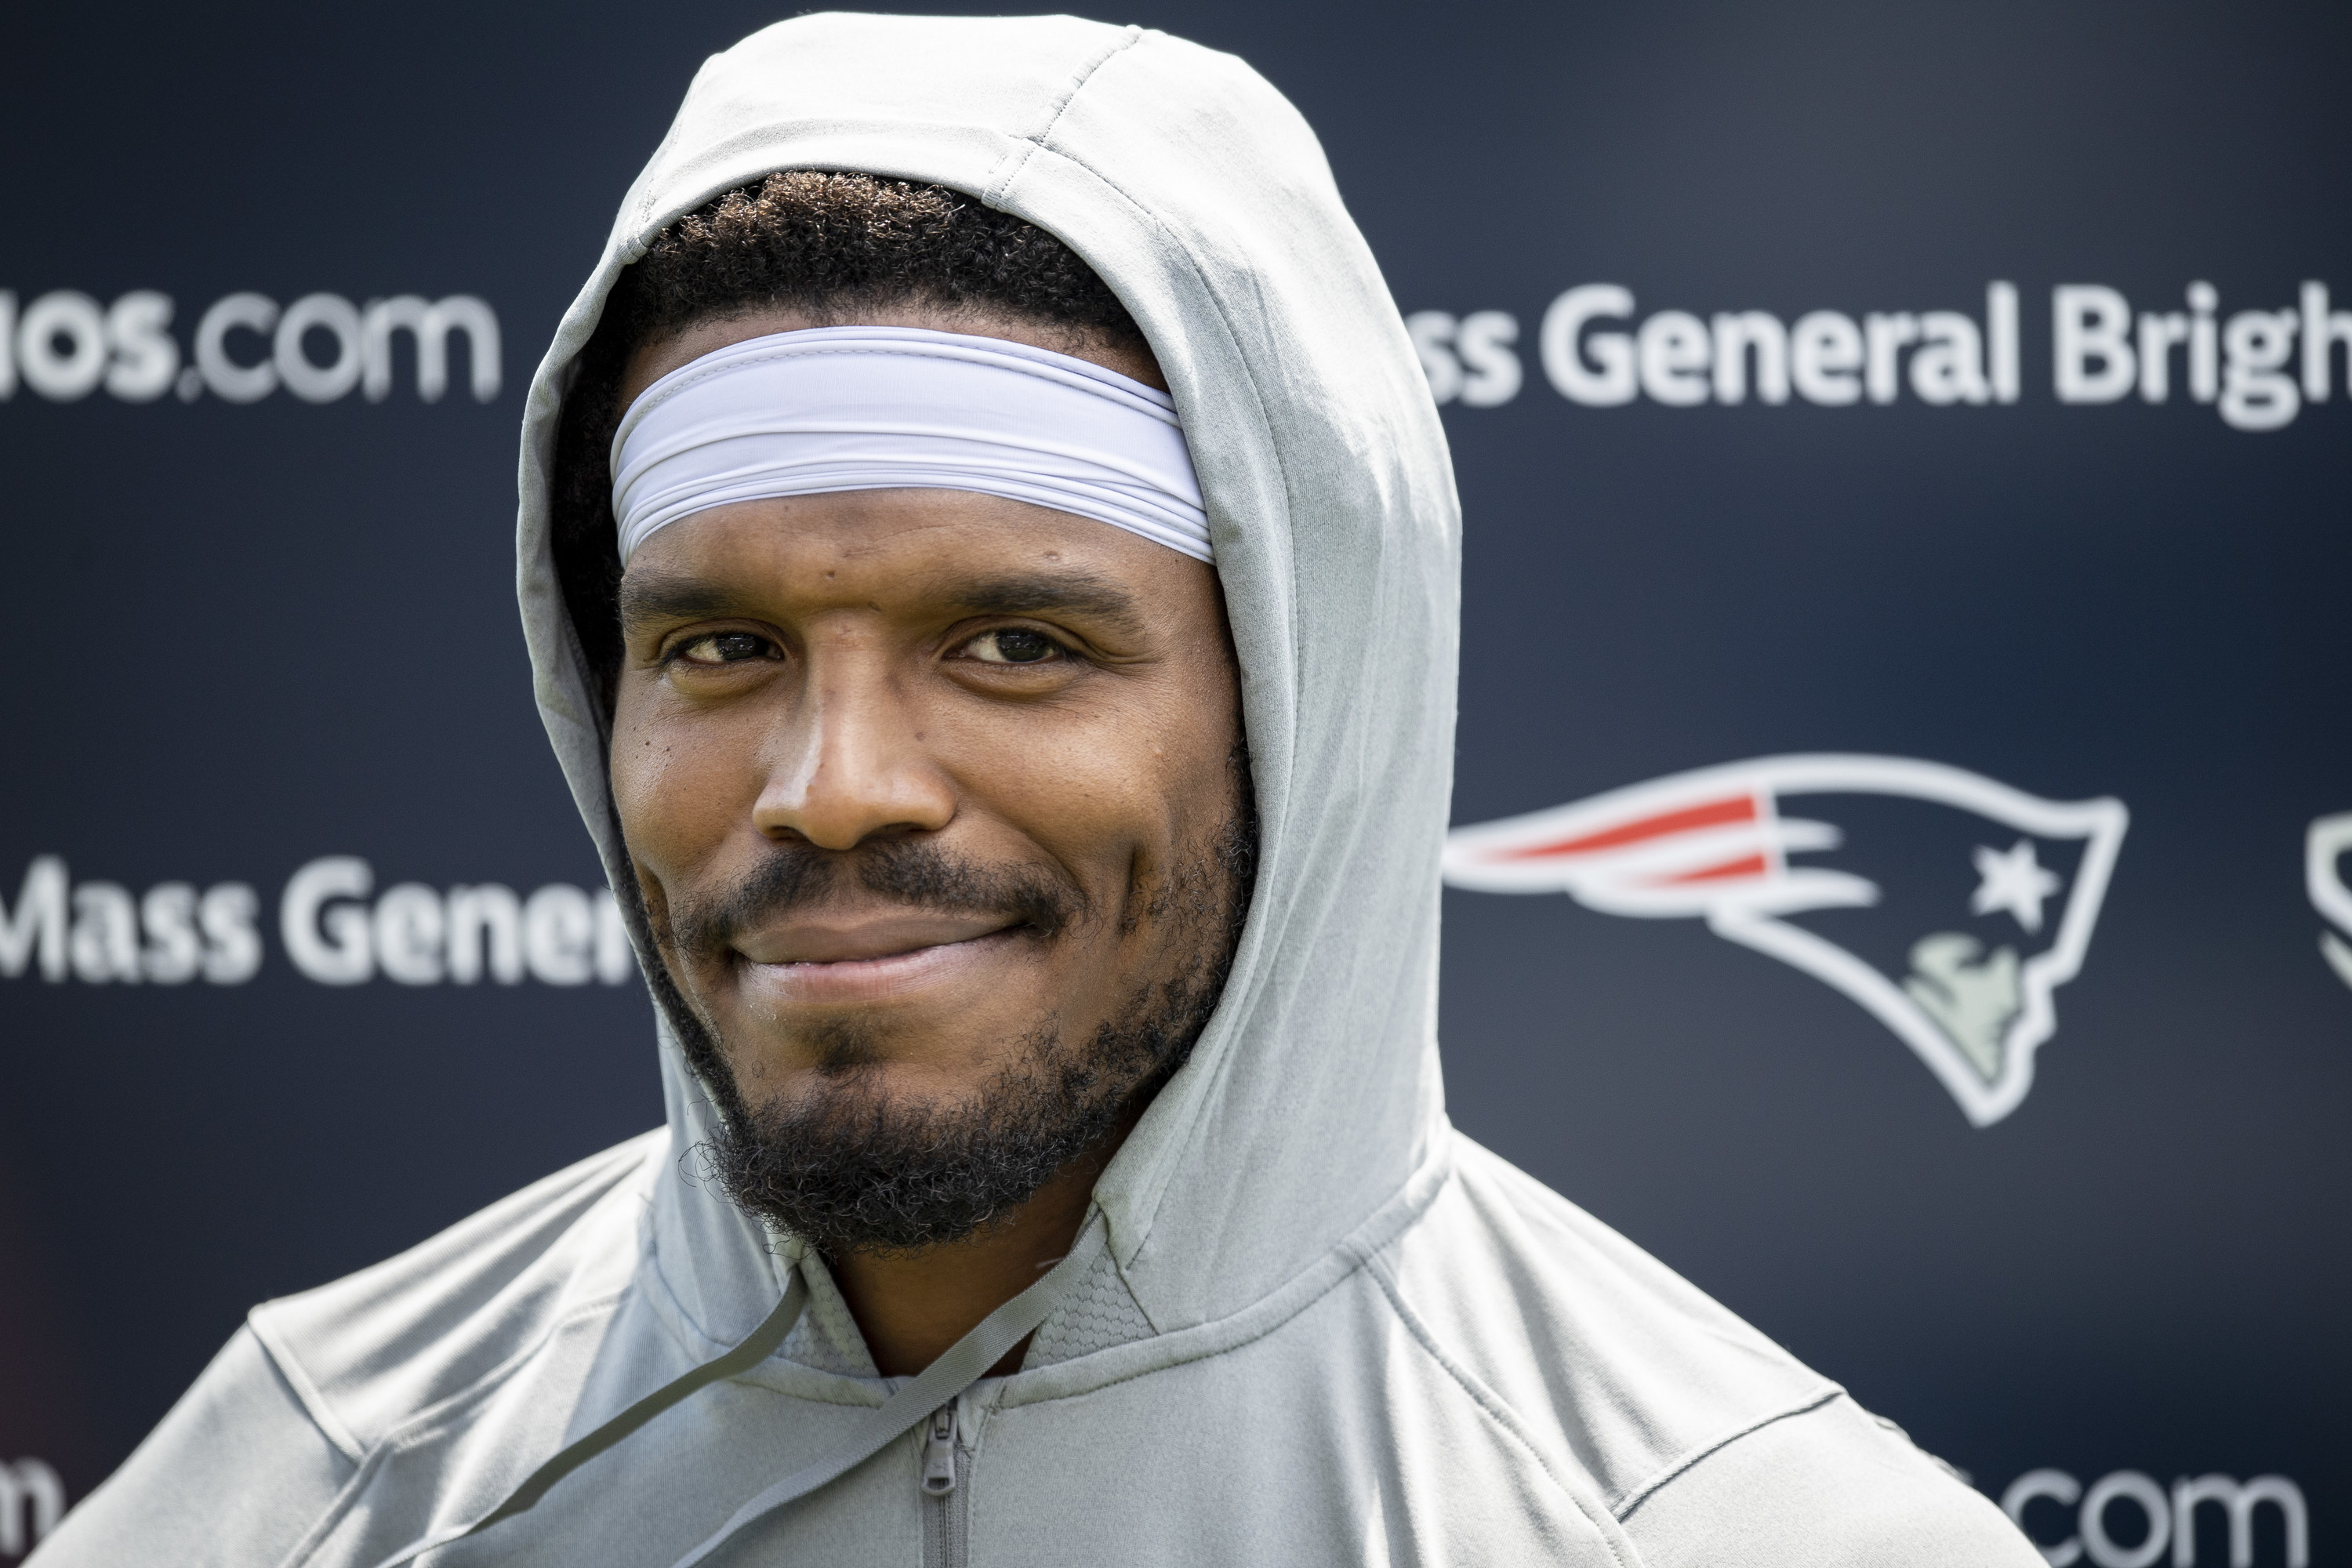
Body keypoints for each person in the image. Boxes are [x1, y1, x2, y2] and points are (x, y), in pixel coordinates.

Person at [34, 14, 2043, 1566]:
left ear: (1295, 703)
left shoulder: (1730, 1531)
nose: (831, 788)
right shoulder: (322, 1491)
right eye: (718, 647)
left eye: (1016, 645)